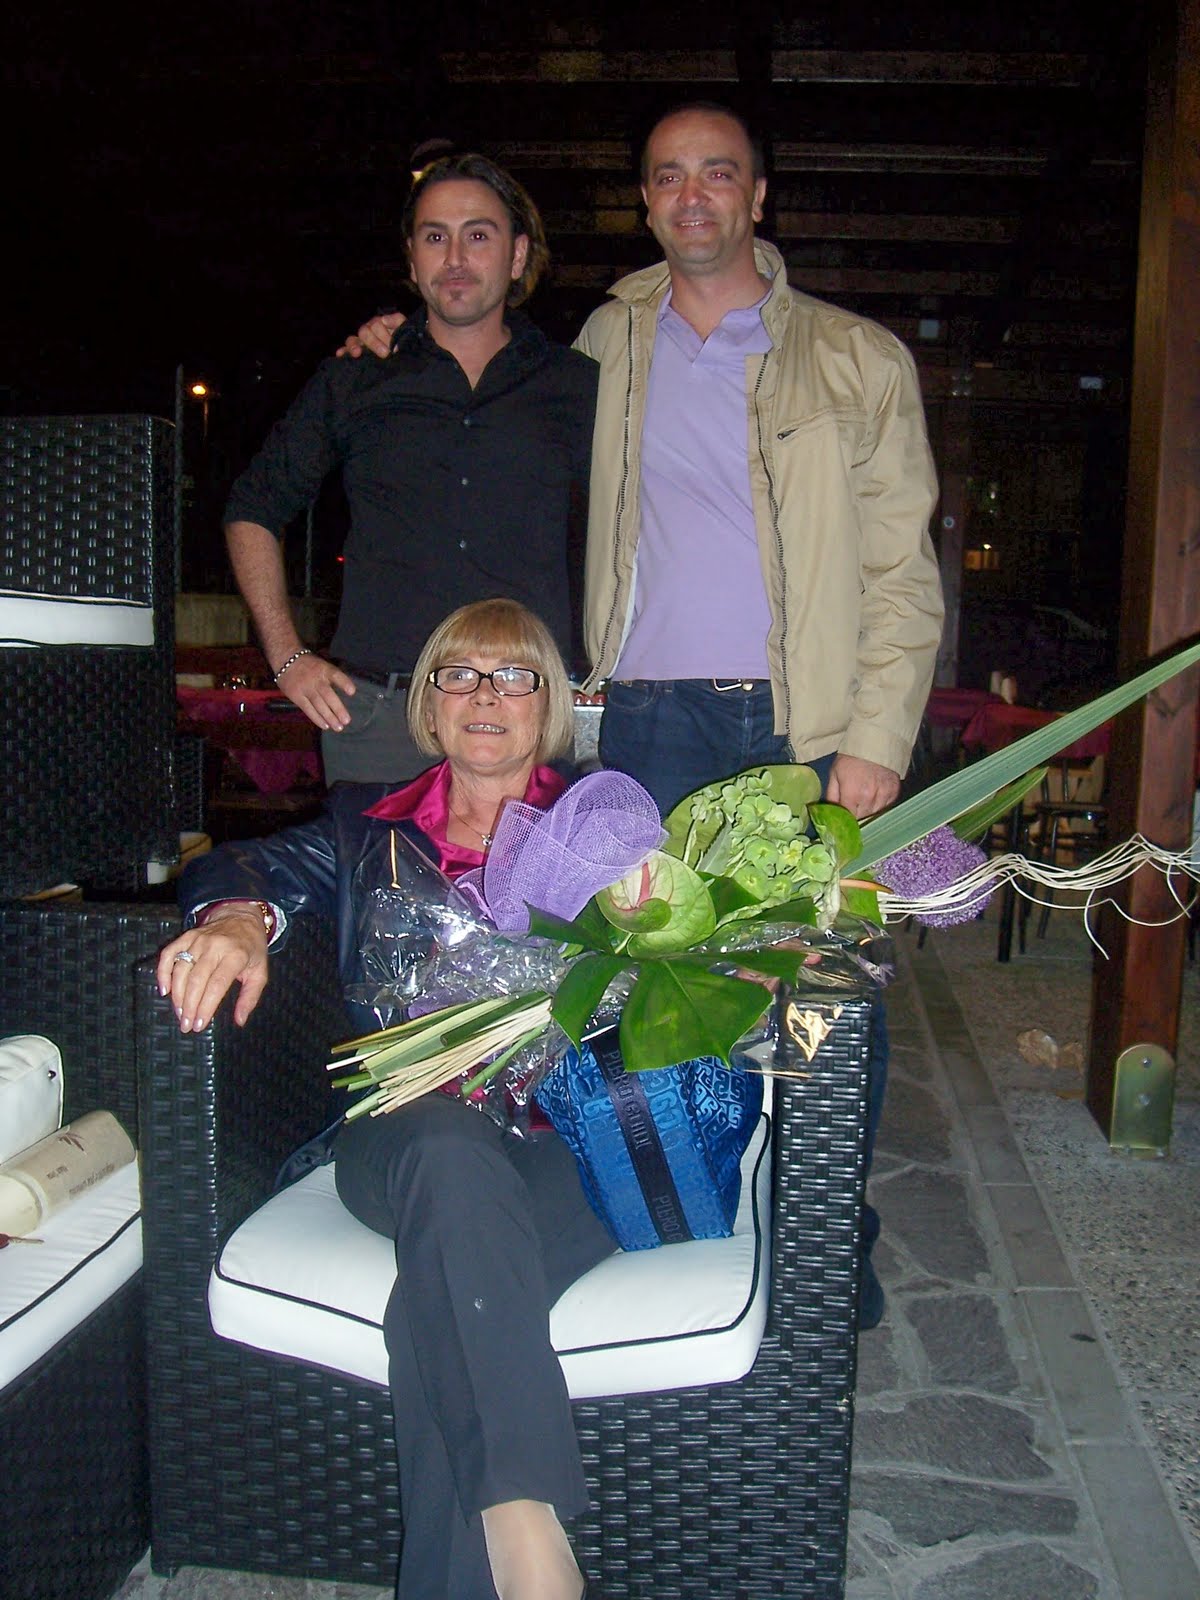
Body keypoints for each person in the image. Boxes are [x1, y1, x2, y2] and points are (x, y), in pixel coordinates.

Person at [343, 105, 944, 1328]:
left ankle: (829, 1226)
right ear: (649, 201)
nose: (693, 194)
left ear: (757, 197)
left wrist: (876, 740)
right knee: (657, 987)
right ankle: (688, 1193)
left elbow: (902, 570)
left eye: (718, 173)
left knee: (821, 986)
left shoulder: (857, 358)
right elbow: (486, 368)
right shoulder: (607, 340)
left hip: (805, 725)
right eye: (669, 176)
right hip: (650, 725)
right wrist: (395, 338)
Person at [158, 599, 608, 1600]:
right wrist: (238, 917)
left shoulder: (609, 825)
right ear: (428, 703)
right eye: (458, 674)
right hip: (406, 1140)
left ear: (548, 705)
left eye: (514, 676)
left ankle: (503, 1547)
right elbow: (243, 865)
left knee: (440, 1309)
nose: (484, 694)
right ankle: (528, 1530)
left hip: (569, 1143)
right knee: (449, 1155)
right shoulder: (367, 824)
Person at [225, 153, 597, 785]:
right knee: (375, 858)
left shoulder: (578, 385)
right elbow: (252, 509)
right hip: (381, 718)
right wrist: (287, 657)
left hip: (525, 717)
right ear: (411, 259)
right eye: (435, 237)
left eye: (478, 235)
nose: (455, 258)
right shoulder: (356, 376)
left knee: (531, 861)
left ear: (516, 256)